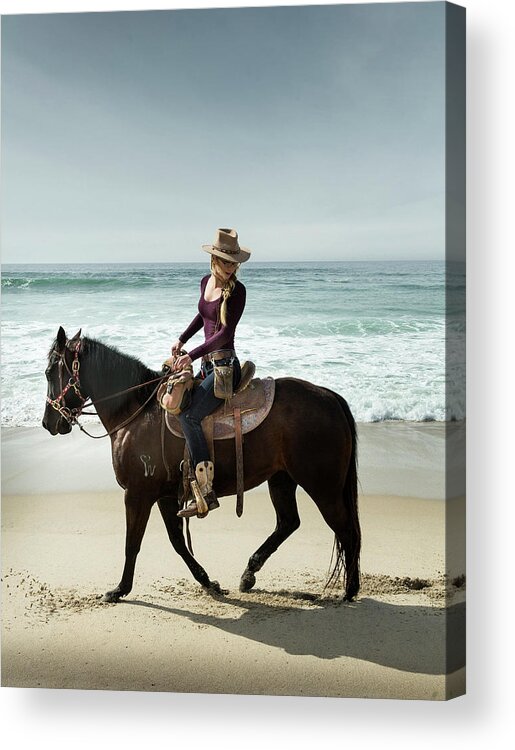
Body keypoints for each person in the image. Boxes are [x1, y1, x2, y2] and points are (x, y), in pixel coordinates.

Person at [168, 228, 251, 519]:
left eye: (234, 263)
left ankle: (206, 491)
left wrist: (191, 354)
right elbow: (202, 314)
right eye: (226, 262)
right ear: (214, 260)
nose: (231, 268)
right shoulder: (205, 282)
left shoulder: (237, 291)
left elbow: (223, 334)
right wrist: (182, 339)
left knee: (188, 415)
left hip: (226, 367)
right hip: (205, 365)